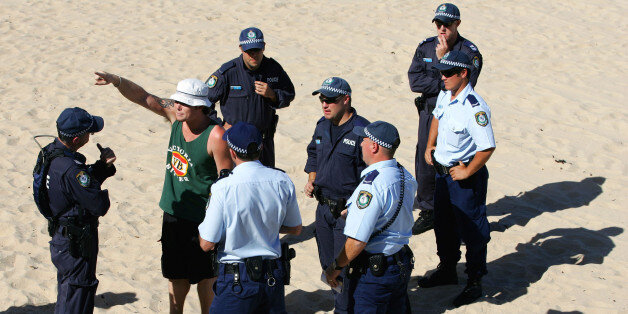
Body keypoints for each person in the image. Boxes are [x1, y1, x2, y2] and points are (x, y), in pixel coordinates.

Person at [94, 72, 232, 314]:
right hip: (173, 212)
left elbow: (227, 183)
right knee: (175, 275)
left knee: (206, 278)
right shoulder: (176, 118)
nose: (177, 106)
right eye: (176, 101)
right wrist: (117, 81)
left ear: (200, 106)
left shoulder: (216, 136)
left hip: (204, 219)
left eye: (184, 103)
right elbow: (144, 97)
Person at [198, 121, 302, 313]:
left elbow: (206, 243)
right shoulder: (281, 180)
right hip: (272, 276)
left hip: (236, 280)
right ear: (261, 148)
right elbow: (295, 228)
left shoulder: (223, 187)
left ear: (232, 152)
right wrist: (265, 224)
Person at [418, 51, 495, 307]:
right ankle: (448, 269)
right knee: (443, 224)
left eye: (448, 73)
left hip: (464, 177)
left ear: (464, 73)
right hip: (443, 173)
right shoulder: (445, 93)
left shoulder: (475, 108)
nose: (443, 77)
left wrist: (467, 171)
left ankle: (474, 281)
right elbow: (437, 117)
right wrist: (430, 145)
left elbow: (487, 147)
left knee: (472, 230)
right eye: (441, 71)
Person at [324, 121, 417, 313]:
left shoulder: (371, 185)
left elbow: (357, 241)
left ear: (374, 146)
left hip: (376, 273)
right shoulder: (405, 175)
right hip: (399, 261)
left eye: (364, 140)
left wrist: (336, 267)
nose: (360, 144)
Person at [407, 2, 483, 235]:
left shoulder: (469, 53)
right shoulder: (426, 47)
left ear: (457, 24)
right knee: (426, 157)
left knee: (452, 156)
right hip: (429, 112)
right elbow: (414, 81)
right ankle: (429, 208)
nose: (441, 29)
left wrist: (446, 59)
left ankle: (454, 208)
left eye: (447, 25)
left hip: (456, 115)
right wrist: (441, 83)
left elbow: (465, 85)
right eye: (438, 24)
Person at [304, 77, 370, 313]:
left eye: (330, 100)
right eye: (322, 99)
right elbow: (313, 153)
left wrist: (355, 207)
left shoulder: (363, 131)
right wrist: (312, 178)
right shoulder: (322, 125)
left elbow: (370, 176)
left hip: (346, 213)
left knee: (343, 268)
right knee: (327, 266)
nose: (324, 104)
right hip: (323, 210)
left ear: (346, 100)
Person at [42, 107, 116, 313]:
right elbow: (98, 205)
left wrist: (102, 167)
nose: (90, 136)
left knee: (68, 292)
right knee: (77, 297)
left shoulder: (50, 152)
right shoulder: (71, 169)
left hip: (61, 236)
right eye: (88, 133)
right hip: (75, 243)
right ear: (76, 140)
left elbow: (73, 189)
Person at [206, 27, 295, 168]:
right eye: (249, 51)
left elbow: (289, 94)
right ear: (241, 49)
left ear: (264, 47)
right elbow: (205, 100)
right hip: (234, 144)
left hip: (263, 143)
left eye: (257, 50)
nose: (253, 55)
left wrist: (273, 95)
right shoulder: (228, 72)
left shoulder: (273, 69)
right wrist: (219, 127)